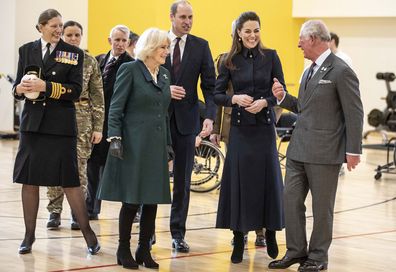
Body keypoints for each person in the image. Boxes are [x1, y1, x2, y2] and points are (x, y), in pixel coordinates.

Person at [269, 20, 363, 272]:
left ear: (313, 39)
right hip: (298, 149)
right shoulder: (308, 70)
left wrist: (353, 150)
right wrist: (282, 98)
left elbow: (354, 113)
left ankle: (318, 256)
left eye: (301, 39)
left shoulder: (341, 71)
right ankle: (295, 251)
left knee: (322, 208)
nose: (298, 43)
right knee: (290, 201)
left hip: (325, 153)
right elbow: (304, 107)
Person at [12, 9, 100, 255]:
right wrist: (19, 88)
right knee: (28, 181)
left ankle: (88, 234)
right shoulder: (26, 50)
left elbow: (75, 90)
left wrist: (46, 87)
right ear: (40, 26)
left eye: (61, 25)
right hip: (32, 126)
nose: (59, 30)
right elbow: (18, 85)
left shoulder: (72, 53)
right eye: (54, 25)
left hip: (60, 126)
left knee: (70, 182)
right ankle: (29, 236)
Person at [97, 27, 171, 270]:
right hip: (132, 144)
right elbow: (116, 107)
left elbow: (164, 114)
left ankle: (144, 249)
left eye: (167, 47)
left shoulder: (164, 75)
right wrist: (114, 137)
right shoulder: (130, 69)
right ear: (150, 48)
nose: (166, 52)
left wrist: (168, 145)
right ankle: (122, 248)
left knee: (152, 200)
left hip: (156, 145)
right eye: (163, 47)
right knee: (131, 201)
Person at [214, 11, 285, 264]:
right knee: (240, 184)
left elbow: (281, 93)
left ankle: (272, 232)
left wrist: (265, 101)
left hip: (264, 129)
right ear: (239, 33)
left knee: (269, 182)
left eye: (256, 30)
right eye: (247, 31)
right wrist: (234, 99)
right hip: (241, 131)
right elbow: (217, 94)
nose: (252, 35)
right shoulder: (229, 61)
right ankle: (238, 236)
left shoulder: (272, 57)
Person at [163, 0, 216, 253]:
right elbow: (143, 77)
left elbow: (210, 85)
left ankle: (178, 234)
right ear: (171, 17)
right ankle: (147, 234)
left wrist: (210, 116)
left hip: (187, 121)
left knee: (183, 182)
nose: (188, 21)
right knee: (151, 177)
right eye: (183, 16)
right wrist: (165, 91)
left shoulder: (201, 46)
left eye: (191, 17)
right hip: (157, 121)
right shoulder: (157, 42)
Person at [46, 20, 105, 230]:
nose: (73, 39)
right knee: (55, 166)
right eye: (68, 35)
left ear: (81, 36)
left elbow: (98, 97)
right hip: (56, 117)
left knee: (79, 168)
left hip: (82, 120)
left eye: (76, 35)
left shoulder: (89, 61)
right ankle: (54, 211)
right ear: (62, 35)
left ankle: (76, 212)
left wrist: (98, 127)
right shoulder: (53, 59)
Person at [86, 25, 133, 220]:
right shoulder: (98, 61)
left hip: (118, 123)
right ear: (109, 40)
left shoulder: (131, 64)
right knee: (93, 166)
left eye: (124, 40)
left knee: (121, 168)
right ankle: (91, 208)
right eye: (117, 40)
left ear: (128, 42)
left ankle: (132, 209)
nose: (120, 44)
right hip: (97, 122)